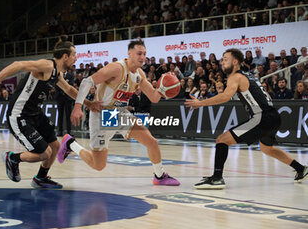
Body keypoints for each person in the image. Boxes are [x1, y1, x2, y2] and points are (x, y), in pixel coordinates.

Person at [0, 39, 100, 189]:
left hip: (35, 113)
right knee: (44, 153)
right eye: (74, 54)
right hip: (19, 115)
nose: (76, 58)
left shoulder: (57, 73)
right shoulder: (47, 65)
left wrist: (88, 104)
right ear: (65, 56)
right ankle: (12, 158)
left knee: (55, 146)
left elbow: (69, 90)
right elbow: (18, 65)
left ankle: (41, 178)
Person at [57, 39, 180, 186]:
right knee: (98, 165)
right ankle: (70, 144)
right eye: (139, 53)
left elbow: (154, 98)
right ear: (129, 54)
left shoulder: (139, 74)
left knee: (151, 142)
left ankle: (159, 176)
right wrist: (78, 107)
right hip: (102, 114)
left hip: (120, 114)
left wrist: (164, 86)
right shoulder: (117, 68)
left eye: (145, 54)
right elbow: (86, 82)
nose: (143, 57)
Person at [185, 48, 307, 189]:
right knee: (267, 148)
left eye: (225, 59)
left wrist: (200, 103)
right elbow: (268, 96)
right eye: (222, 59)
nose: (222, 62)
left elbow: (225, 96)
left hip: (263, 118)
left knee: (222, 140)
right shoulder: (248, 75)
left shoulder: (235, 77)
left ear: (235, 61)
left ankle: (217, 178)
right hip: (273, 116)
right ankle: (301, 168)